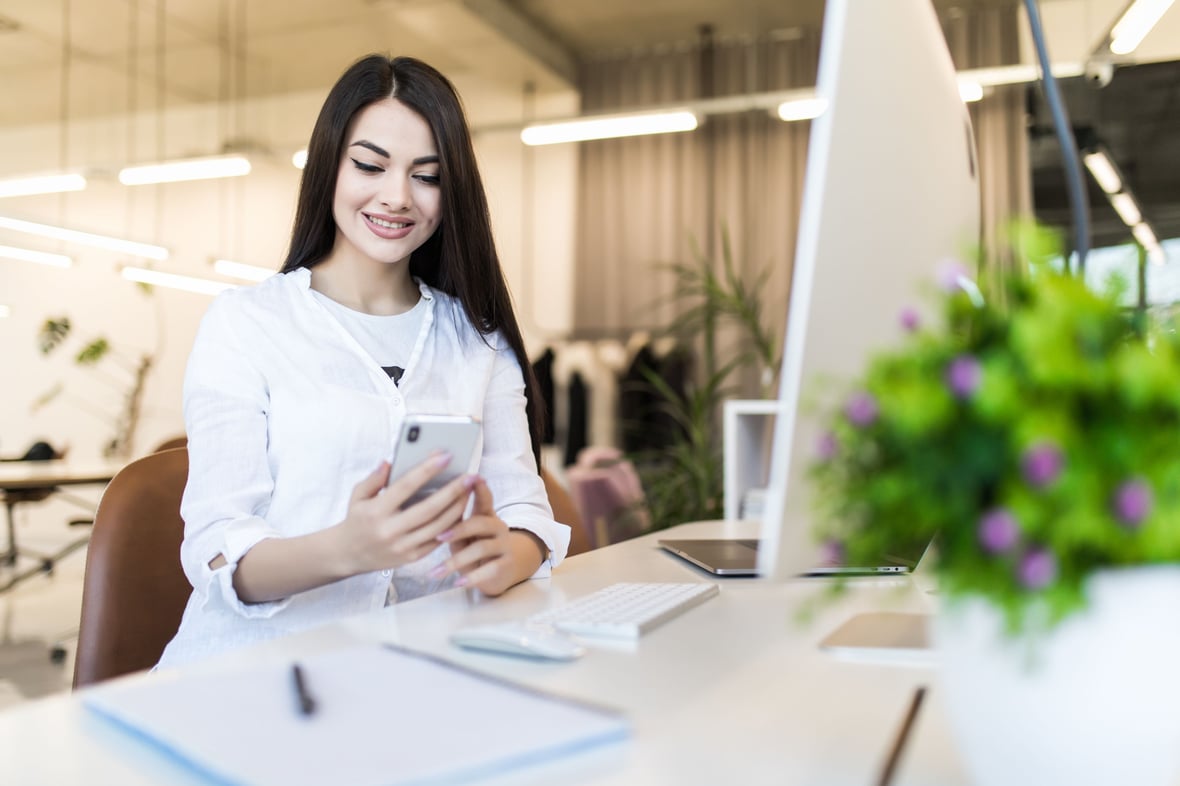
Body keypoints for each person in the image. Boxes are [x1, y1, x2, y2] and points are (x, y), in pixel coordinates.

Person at [157, 55, 570, 668]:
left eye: (427, 176)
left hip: (425, 669)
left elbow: (524, 509)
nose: (397, 197)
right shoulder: (246, 323)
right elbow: (219, 551)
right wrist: (348, 549)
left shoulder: (480, 342)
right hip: (256, 673)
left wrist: (507, 554)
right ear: (329, 165)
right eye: (370, 165)